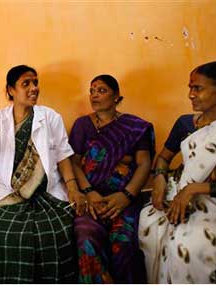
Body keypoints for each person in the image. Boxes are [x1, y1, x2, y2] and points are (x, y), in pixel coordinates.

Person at [0, 65, 86, 283]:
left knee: (56, 234)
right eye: (26, 83)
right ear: (11, 90)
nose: (34, 88)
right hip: (8, 193)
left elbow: (63, 155)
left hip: (47, 194)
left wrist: (72, 188)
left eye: (35, 82)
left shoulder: (50, 117)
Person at [139, 61, 216, 283]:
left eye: (197, 88)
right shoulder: (185, 124)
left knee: (185, 247)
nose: (190, 94)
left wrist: (198, 188)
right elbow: (163, 158)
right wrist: (159, 177)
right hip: (177, 197)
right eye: (190, 87)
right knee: (150, 226)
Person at [69, 74, 154, 283]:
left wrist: (126, 196)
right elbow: (73, 162)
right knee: (85, 236)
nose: (94, 95)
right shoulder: (82, 125)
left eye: (101, 90)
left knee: (124, 243)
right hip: (91, 199)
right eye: (92, 90)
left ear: (116, 96)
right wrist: (89, 193)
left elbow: (144, 163)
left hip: (124, 200)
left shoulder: (135, 127)